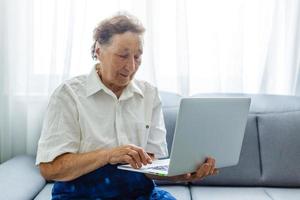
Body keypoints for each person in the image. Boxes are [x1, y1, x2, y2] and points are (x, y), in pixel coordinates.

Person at [36, 13, 219, 200]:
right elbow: (49, 169)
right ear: (98, 51)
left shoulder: (149, 94)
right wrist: (108, 155)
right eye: (123, 56)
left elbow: (149, 167)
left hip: (140, 194)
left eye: (137, 57)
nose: (131, 66)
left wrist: (181, 175)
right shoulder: (68, 94)